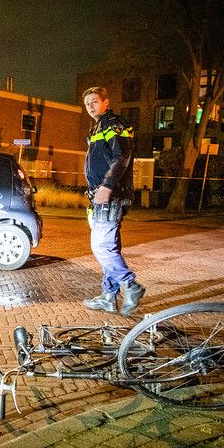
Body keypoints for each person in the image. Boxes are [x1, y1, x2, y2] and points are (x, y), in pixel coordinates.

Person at [81, 86, 145, 316]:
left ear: (106, 102)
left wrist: (107, 186)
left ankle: (131, 286)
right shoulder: (98, 126)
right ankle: (109, 297)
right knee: (110, 247)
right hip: (103, 195)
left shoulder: (113, 124)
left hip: (111, 195)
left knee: (101, 246)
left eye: (94, 101)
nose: (90, 106)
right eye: (87, 103)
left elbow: (122, 156)